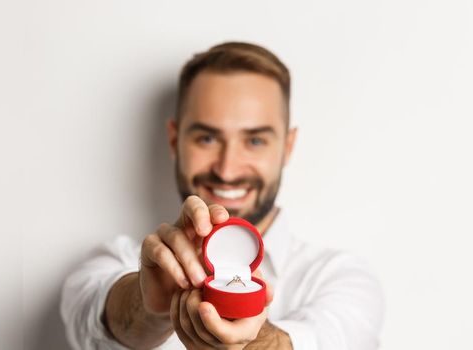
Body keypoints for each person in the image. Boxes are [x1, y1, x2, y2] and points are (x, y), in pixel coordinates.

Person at [61, 42, 384, 349]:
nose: (227, 170)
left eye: (255, 141)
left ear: (287, 147)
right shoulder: (112, 261)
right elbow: (98, 320)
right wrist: (150, 306)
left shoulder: (340, 278)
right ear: (174, 141)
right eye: (207, 138)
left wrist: (250, 340)